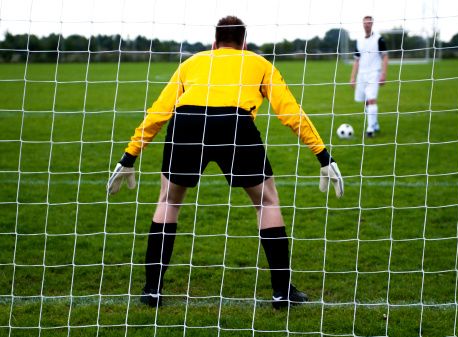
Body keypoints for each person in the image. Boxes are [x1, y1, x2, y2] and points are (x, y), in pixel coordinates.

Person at [107, 16, 344, 309]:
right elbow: (290, 112)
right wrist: (322, 155)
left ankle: (152, 290)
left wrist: (129, 156)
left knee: (168, 201)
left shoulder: (191, 63)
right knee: (266, 203)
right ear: (244, 43)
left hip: (188, 122)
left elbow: (158, 112)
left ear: (214, 42)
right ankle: (282, 293)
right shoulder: (258, 63)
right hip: (234, 123)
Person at [350, 15, 389, 137]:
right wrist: (352, 77)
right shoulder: (359, 40)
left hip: (374, 73)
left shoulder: (379, 39)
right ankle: (375, 123)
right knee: (366, 101)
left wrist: (383, 74)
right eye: (365, 23)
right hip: (362, 75)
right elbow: (356, 60)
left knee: (371, 99)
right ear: (362, 24)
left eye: (369, 23)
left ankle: (370, 129)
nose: (367, 25)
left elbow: (385, 57)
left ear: (372, 24)